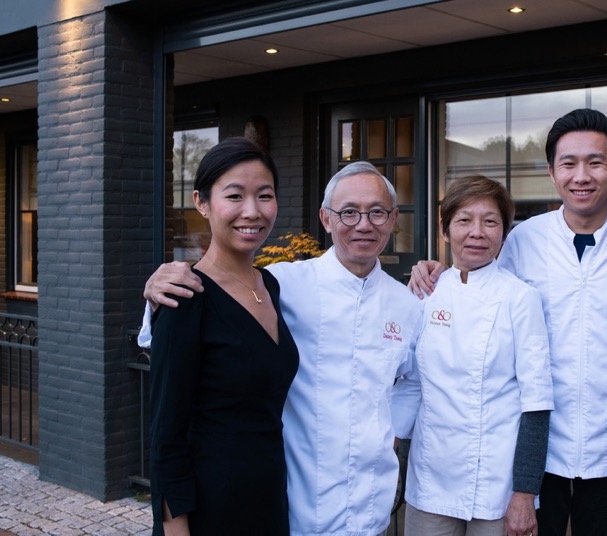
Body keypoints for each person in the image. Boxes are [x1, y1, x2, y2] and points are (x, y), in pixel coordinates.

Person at [410, 109, 607, 535]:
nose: (581, 176)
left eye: (595, 162)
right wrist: (435, 272)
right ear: (551, 172)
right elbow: (478, 284)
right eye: (568, 163)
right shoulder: (523, 240)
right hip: (533, 451)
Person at [141, 160, 423, 536]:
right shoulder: (282, 283)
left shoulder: (408, 304)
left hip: (371, 506)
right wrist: (158, 288)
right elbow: (206, 309)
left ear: (393, 219)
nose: (363, 224)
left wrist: (392, 432)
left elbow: (412, 380)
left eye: (377, 212)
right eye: (348, 212)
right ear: (325, 218)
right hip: (295, 507)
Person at [149, 138, 300, 536]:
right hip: (210, 507)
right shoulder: (185, 297)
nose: (252, 211)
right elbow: (166, 436)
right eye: (234, 196)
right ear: (202, 202)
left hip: (268, 498)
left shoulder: (270, 284)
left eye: (264, 195)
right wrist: (176, 529)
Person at [392, 175, 554, 536]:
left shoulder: (520, 298)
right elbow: (411, 385)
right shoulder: (425, 293)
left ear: (504, 232)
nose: (477, 232)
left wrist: (525, 492)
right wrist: (387, 448)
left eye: (490, 221)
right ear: (445, 229)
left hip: (498, 486)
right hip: (431, 479)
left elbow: (537, 402)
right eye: (464, 220)